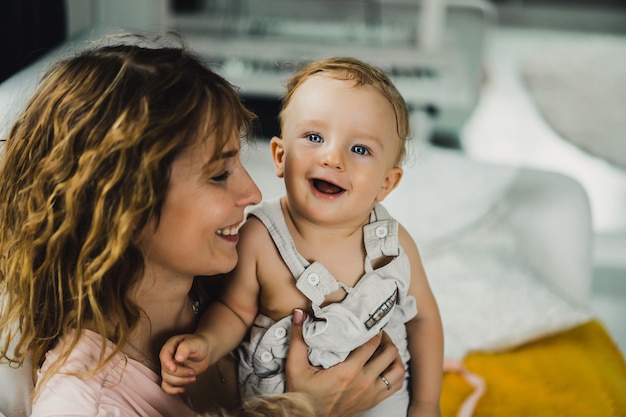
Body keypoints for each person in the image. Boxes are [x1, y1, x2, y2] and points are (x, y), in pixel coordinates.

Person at [0, 36, 405, 417]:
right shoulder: (87, 404)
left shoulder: (226, 285)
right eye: (218, 174)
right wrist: (303, 408)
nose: (251, 191)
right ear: (123, 207)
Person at [160, 57, 444, 417]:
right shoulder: (261, 238)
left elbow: (424, 320)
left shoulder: (392, 244)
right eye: (314, 137)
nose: (332, 158)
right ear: (280, 156)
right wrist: (207, 344)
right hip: (283, 407)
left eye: (359, 149)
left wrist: (426, 403)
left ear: (386, 184)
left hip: (384, 400)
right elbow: (234, 310)